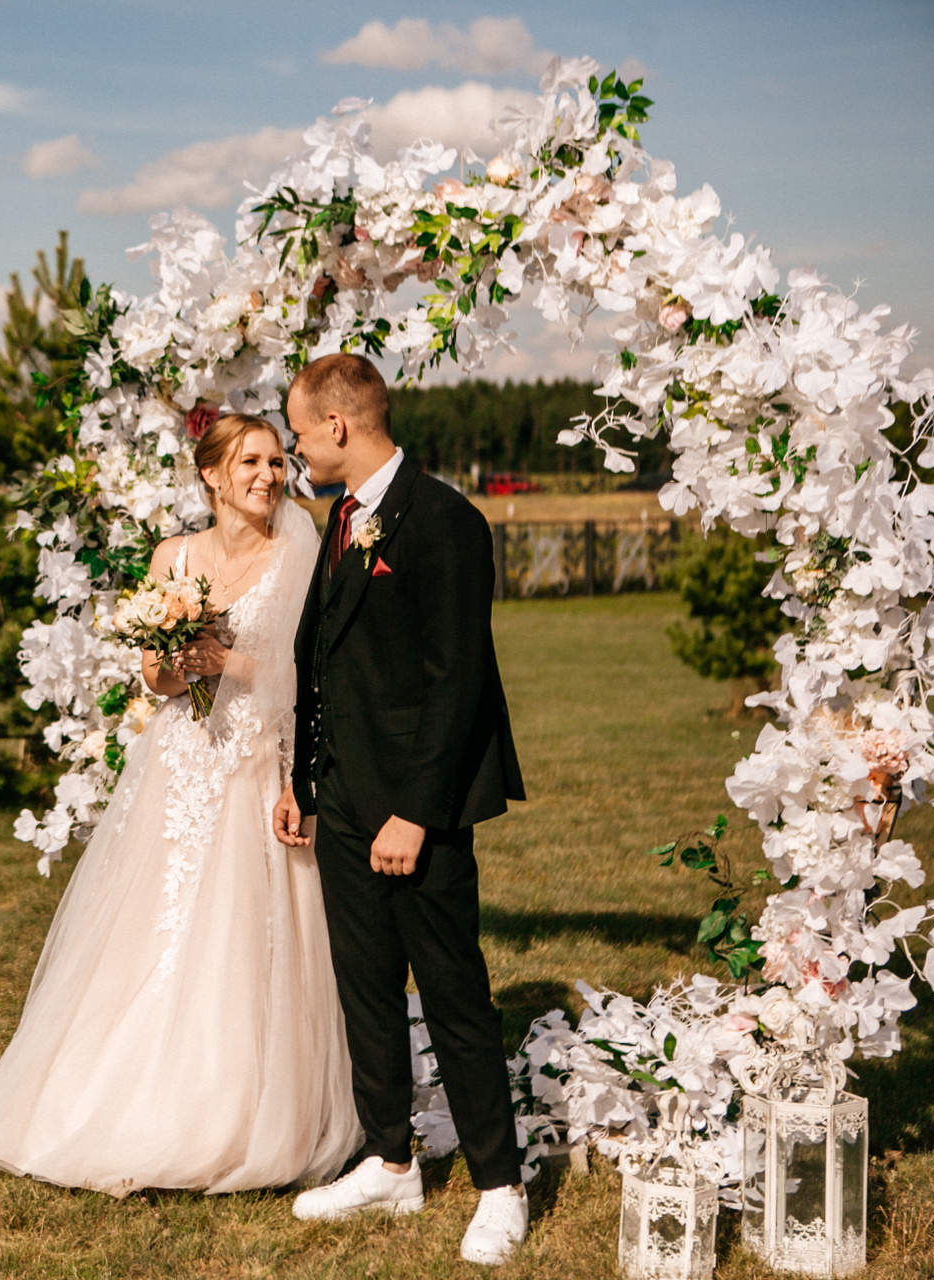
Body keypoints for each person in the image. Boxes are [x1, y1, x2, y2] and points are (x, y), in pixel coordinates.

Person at [0, 413, 362, 1196]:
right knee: (157, 924)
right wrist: (181, 662)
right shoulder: (172, 556)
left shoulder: (299, 554)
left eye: (276, 462)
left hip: (258, 766)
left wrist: (230, 666)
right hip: (180, 768)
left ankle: (234, 1111)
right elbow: (155, 676)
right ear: (211, 474)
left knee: (242, 932)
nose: (269, 476)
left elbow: (310, 674)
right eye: (251, 462)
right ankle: (118, 1094)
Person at [273, 354, 529, 1265]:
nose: (297, 449)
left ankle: (500, 1184)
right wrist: (305, 784)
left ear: (337, 425)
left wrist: (416, 813)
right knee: (366, 987)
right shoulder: (341, 519)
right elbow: (322, 664)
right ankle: (389, 1160)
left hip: (418, 810)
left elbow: (458, 681)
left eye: (299, 432)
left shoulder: (445, 521)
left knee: (453, 992)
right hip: (343, 802)